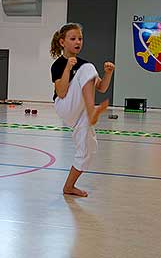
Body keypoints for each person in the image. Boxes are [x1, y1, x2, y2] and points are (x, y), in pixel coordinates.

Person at [50, 23, 115, 197]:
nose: (78, 42)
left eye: (80, 38)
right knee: (88, 68)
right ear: (62, 42)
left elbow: (101, 87)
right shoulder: (58, 65)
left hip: (79, 113)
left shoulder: (84, 64)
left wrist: (108, 73)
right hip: (65, 105)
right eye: (73, 39)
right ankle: (91, 110)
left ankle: (69, 187)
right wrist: (68, 68)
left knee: (88, 149)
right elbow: (61, 92)